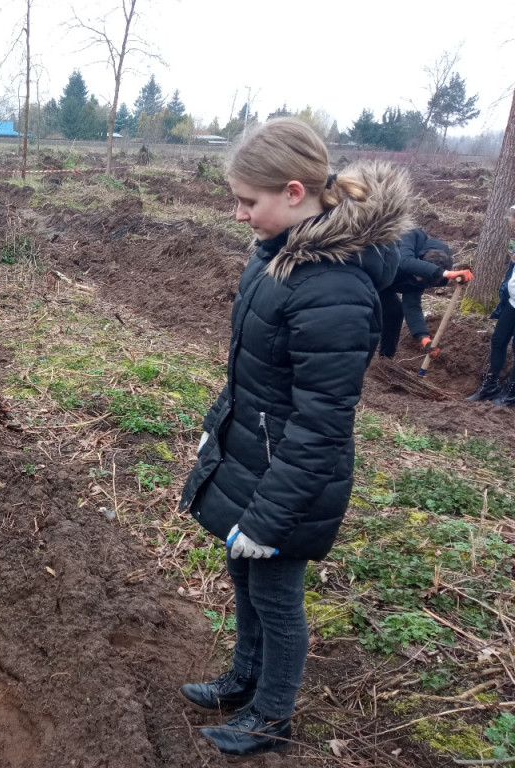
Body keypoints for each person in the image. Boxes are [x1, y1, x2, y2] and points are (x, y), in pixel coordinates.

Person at [177, 118, 411, 757]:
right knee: (243, 575)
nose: (238, 213)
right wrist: (213, 434)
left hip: (293, 477)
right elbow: (249, 372)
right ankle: (242, 680)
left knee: (277, 596)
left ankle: (271, 717)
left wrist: (270, 517)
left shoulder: (331, 287)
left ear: (292, 192)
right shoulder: (275, 257)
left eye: (248, 202)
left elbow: (321, 423)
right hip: (253, 455)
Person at [377, 228, 472, 358]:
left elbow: (412, 305)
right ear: (420, 260)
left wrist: (423, 337)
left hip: (386, 286)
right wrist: (447, 274)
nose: (416, 280)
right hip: (371, 274)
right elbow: (404, 262)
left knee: (395, 313)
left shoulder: (426, 279)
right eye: (418, 275)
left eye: (421, 280)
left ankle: (385, 358)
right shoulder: (409, 237)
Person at [466, 204, 515, 406]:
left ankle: (511, 392)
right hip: (512, 302)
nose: (511, 223)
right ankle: (491, 385)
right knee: (498, 340)